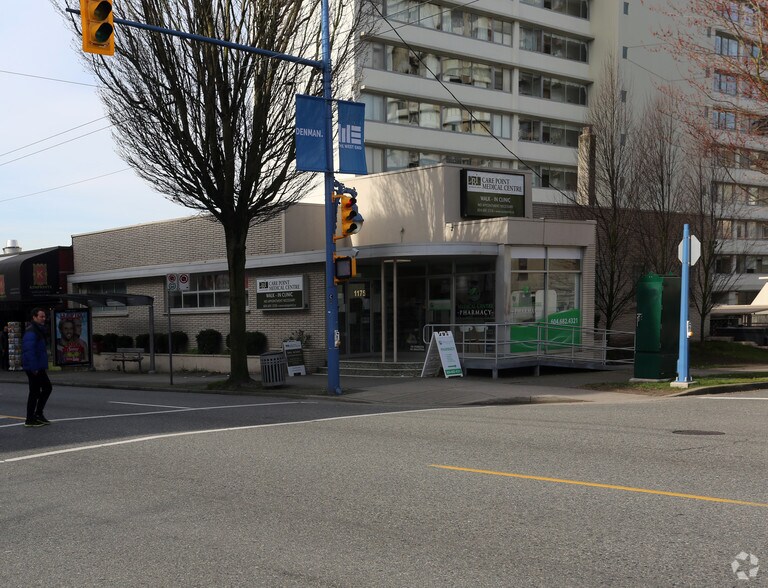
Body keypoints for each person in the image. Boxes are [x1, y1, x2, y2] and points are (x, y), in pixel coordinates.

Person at [21, 308, 53, 427]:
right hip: (33, 367)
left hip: (38, 366)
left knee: (45, 388)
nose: (44, 318)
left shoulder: (38, 329)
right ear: (34, 317)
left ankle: (38, 414)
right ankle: (30, 419)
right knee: (35, 392)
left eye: (44, 316)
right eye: (41, 316)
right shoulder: (32, 330)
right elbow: (29, 350)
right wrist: (34, 367)